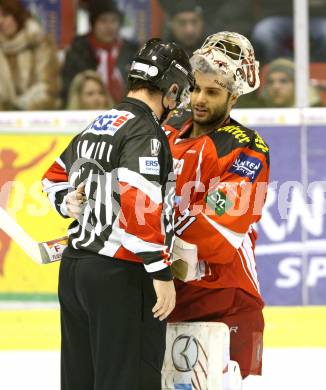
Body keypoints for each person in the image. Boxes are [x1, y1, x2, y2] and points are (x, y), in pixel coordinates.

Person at [42, 38, 195, 390]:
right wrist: (161, 273)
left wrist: (69, 202)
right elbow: (137, 206)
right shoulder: (145, 130)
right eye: (180, 92)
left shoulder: (102, 122)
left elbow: (52, 178)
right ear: (171, 87)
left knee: (82, 381)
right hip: (122, 274)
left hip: (76, 271)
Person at [164, 31, 270, 381]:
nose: (198, 99)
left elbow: (220, 228)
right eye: (195, 88)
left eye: (212, 92)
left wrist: (149, 253)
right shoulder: (165, 130)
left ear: (233, 96)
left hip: (226, 299)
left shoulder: (246, 148)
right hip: (166, 297)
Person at [61, 0, 138, 105]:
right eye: (103, 21)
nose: (109, 27)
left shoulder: (131, 51)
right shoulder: (78, 51)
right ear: (93, 24)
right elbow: (69, 90)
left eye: (114, 20)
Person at [0, 0, 60, 110]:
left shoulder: (39, 42)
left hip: (38, 117)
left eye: (6, 15)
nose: (1, 21)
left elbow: (48, 87)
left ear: (17, 16)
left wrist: (19, 107)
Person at [236, 57, 321, 108]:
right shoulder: (256, 110)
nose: (275, 87)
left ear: (297, 85)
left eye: (283, 81)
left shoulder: (314, 111)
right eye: (270, 82)